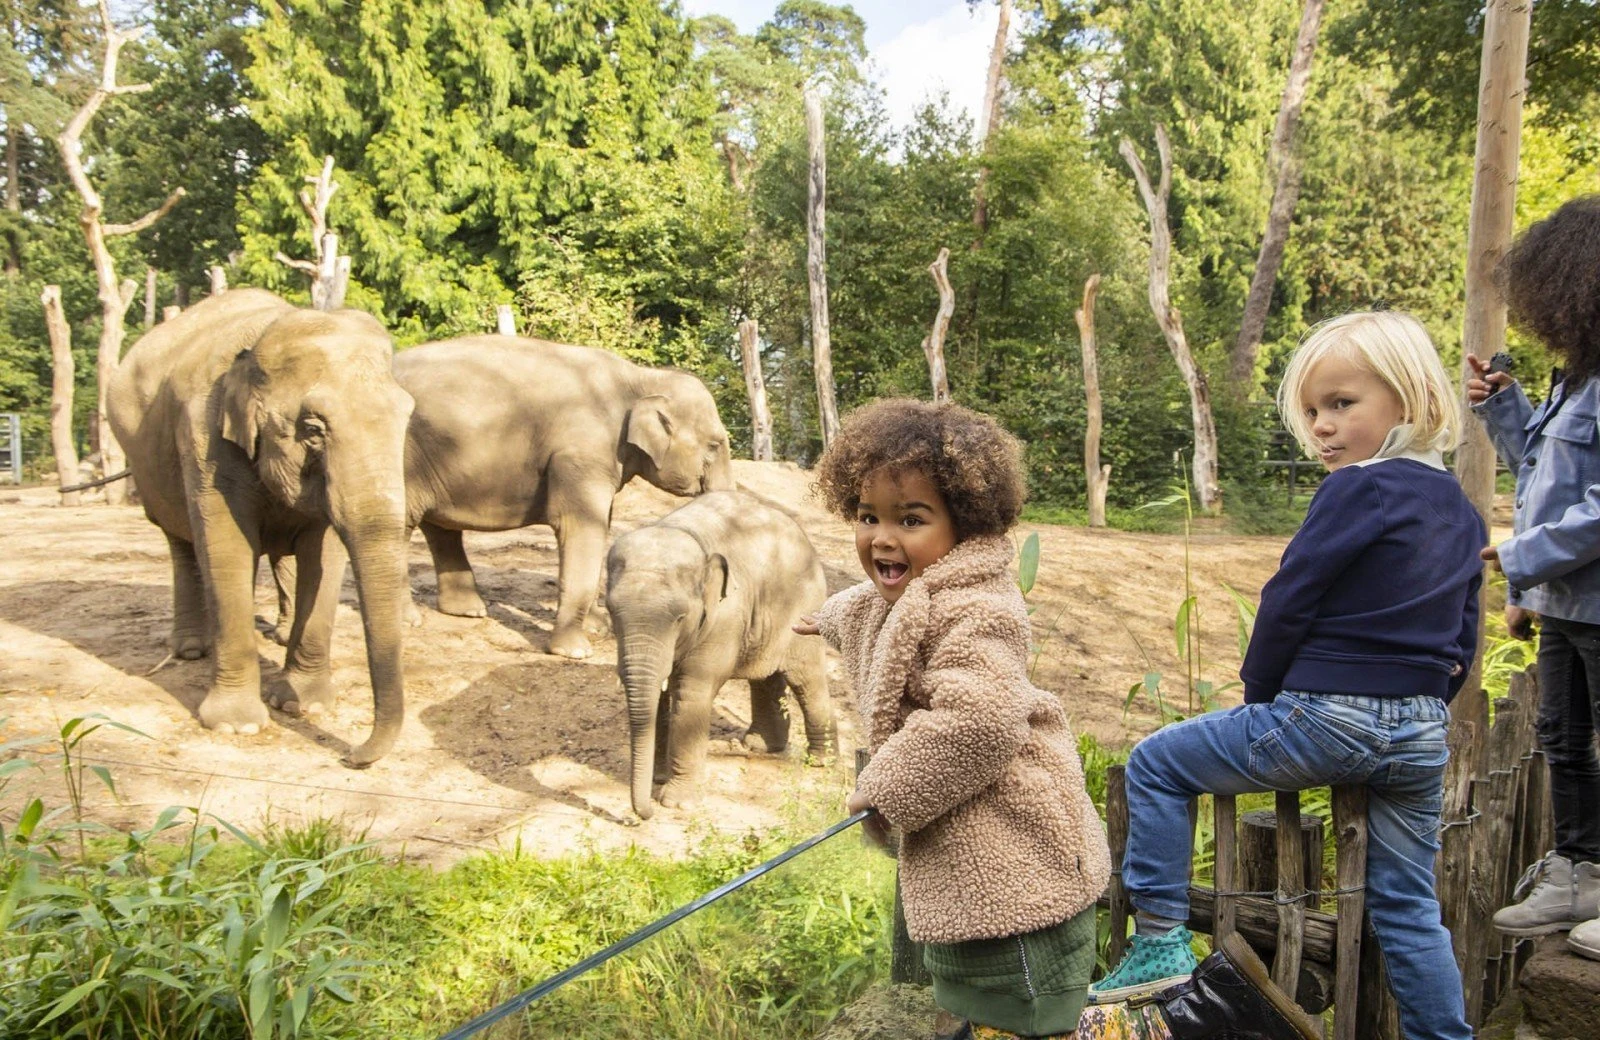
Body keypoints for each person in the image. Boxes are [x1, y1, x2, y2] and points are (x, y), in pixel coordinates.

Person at [1088, 311, 1482, 1040]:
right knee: (1406, 905)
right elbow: (1465, 630)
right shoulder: (1460, 509)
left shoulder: (1355, 490)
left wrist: (1263, 696)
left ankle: (1160, 943)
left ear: (1412, 399)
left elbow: (1289, 598)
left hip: (1325, 714)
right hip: (1423, 729)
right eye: (1311, 411)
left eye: (1341, 404)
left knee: (1155, 765)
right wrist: (1425, 704)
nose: (1322, 427)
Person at [793, 398, 1112, 1040]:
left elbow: (983, 722)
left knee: (1028, 1008)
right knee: (974, 997)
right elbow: (872, 606)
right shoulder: (914, 590)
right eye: (867, 516)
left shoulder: (979, 608)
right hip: (969, 866)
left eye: (910, 519)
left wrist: (888, 786)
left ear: (963, 527)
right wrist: (826, 618)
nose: (882, 537)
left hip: (1016, 858)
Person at [1468, 195, 1600, 961]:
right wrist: (1508, 411)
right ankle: (1582, 871)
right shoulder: (1570, 383)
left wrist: (1519, 559)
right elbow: (1542, 481)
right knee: (1561, 737)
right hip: (1567, 604)